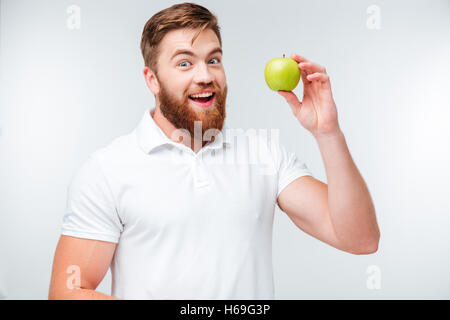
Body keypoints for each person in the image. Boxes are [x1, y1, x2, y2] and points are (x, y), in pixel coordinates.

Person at [48, 2, 380, 300]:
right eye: (184, 63)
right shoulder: (108, 169)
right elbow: (68, 291)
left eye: (214, 60)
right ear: (152, 79)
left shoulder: (263, 155)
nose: (205, 75)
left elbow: (360, 238)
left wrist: (328, 132)